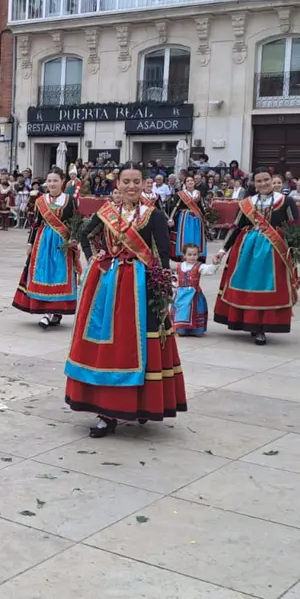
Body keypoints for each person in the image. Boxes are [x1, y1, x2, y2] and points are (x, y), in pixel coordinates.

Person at [70, 164, 188, 438]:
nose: (132, 186)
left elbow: (162, 256)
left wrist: (162, 290)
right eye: (126, 181)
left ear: (144, 184)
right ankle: (106, 412)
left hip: (143, 288)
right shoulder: (106, 212)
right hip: (110, 286)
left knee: (141, 345)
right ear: (118, 185)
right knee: (109, 345)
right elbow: (85, 234)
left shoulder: (154, 215)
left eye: (136, 181)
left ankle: (141, 405)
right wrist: (96, 258)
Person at [213, 168, 298, 346]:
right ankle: (249, 322)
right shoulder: (246, 203)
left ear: (272, 180)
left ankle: (262, 327)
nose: (263, 184)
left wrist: (295, 251)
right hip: (248, 251)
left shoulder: (286, 201)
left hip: (274, 253)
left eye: (266, 180)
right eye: (259, 181)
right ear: (254, 183)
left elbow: (295, 228)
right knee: (248, 286)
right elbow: (235, 228)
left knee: (266, 287)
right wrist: (222, 251)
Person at [12, 168, 79, 329]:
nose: (51, 184)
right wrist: (30, 243)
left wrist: (74, 239)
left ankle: (54, 312)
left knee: (59, 274)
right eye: (49, 181)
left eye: (55, 180)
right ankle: (48, 312)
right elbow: (35, 223)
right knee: (43, 273)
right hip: (43, 241)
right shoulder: (41, 200)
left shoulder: (70, 200)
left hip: (61, 243)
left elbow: (76, 221)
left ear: (62, 181)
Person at [173, 244, 218, 337]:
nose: (192, 257)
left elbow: (209, 270)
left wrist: (215, 264)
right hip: (181, 294)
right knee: (182, 311)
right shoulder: (179, 266)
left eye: (195, 254)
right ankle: (181, 328)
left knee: (195, 310)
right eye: (189, 254)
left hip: (194, 295)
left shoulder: (199, 266)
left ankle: (195, 330)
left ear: (198, 255)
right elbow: (174, 279)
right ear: (184, 255)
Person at [167, 175, 207, 260]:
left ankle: (197, 255)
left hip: (197, 219)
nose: (190, 182)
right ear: (185, 183)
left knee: (196, 236)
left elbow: (202, 206)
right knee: (186, 236)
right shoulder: (181, 194)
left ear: (194, 182)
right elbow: (175, 206)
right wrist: (171, 218)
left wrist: (206, 217)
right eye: (188, 181)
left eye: (191, 180)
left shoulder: (198, 193)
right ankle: (184, 255)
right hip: (185, 219)